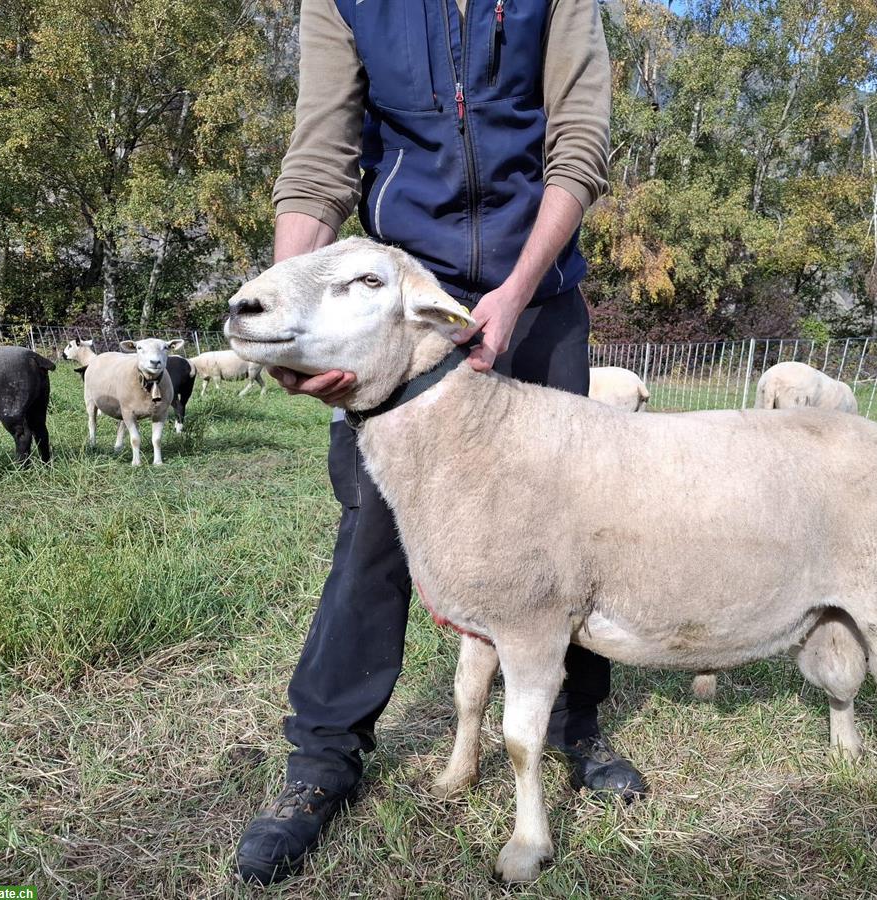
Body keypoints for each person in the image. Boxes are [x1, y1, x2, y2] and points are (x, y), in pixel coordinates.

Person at [235, 0, 645, 885]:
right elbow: (319, 161)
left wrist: (517, 289)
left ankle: (578, 729)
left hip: (531, 290)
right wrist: (290, 319)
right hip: (395, 296)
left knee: (567, 525)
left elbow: (579, 142)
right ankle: (323, 760)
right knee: (376, 527)